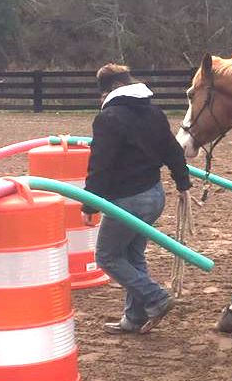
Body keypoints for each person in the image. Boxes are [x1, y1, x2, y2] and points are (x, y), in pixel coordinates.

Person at [81, 63, 192, 334]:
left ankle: (155, 296)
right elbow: (173, 150)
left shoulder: (109, 118)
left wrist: (89, 204)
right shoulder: (153, 112)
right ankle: (134, 318)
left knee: (107, 256)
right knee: (132, 255)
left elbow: (100, 165)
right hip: (154, 196)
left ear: (111, 90)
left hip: (128, 200)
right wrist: (182, 182)